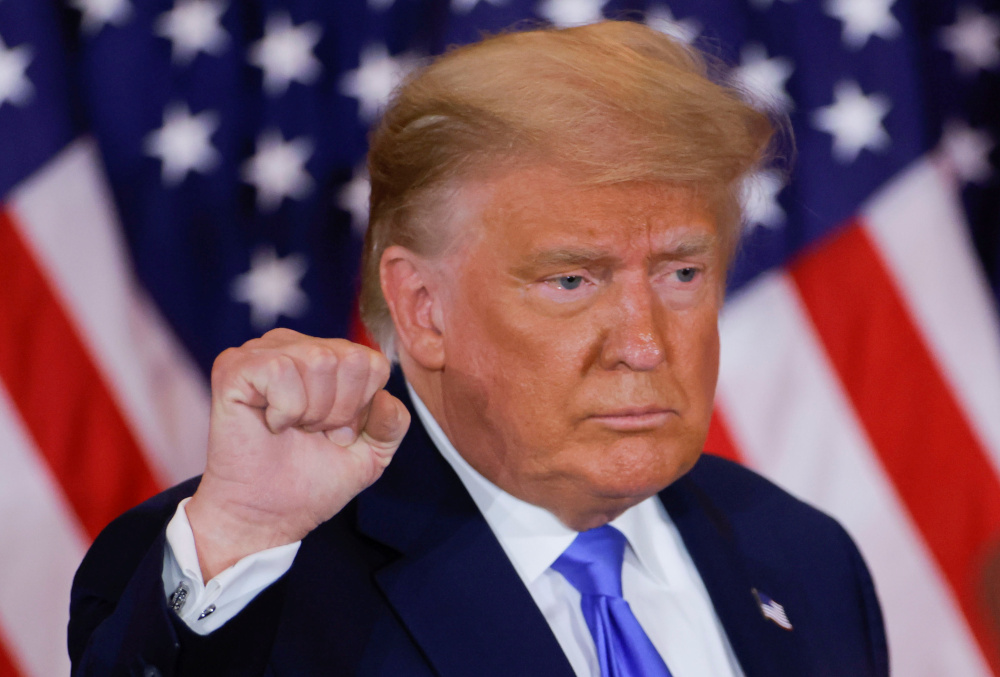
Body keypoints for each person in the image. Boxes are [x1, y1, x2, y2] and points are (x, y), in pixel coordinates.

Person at [69, 20, 888, 677]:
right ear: (422, 309)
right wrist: (240, 535)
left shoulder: (804, 557)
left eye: (681, 271)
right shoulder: (257, 572)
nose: (644, 344)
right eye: (572, 280)